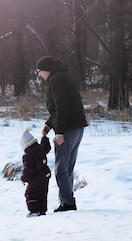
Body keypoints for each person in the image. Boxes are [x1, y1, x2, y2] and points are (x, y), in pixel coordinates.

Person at [35, 56, 87, 212]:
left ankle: (67, 203)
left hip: (68, 129)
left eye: (39, 71)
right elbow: (61, 108)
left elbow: (62, 107)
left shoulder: (56, 80)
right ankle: (68, 200)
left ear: (45, 70)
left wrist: (59, 132)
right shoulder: (64, 76)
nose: (39, 75)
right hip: (77, 126)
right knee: (68, 167)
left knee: (61, 168)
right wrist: (49, 125)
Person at [19, 128, 51, 217]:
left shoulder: (28, 156)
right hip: (45, 176)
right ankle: (42, 210)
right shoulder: (40, 148)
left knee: (30, 194)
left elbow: (28, 170)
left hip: (36, 179)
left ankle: (34, 211)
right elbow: (47, 147)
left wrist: (24, 178)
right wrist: (44, 137)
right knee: (42, 193)